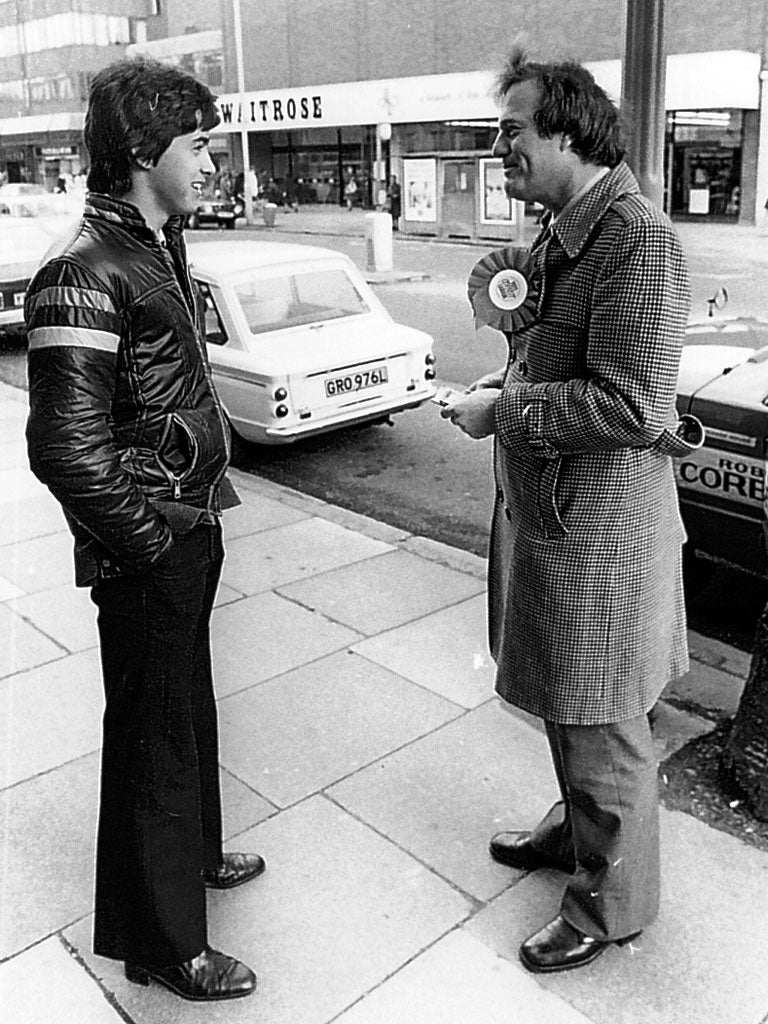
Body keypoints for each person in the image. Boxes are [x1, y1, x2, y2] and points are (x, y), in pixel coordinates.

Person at [441, 49, 701, 974]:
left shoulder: (636, 241)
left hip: (602, 538)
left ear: (568, 131)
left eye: (511, 131)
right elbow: (559, 361)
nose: (498, 147)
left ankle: (609, 906)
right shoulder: (563, 230)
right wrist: (506, 380)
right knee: (567, 703)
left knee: (603, 724)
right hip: (559, 523)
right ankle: (577, 831)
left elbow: (634, 409)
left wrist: (502, 409)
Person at [24, 57, 263, 1002]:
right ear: (140, 150)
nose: (215, 162)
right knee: (152, 736)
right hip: (151, 542)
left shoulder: (156, 246)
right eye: (200, 145)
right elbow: (64, 451)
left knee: (183, 709)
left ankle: (194, 855)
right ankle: (163, 945)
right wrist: (155, 547)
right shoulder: (80, 273)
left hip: (187, 524)